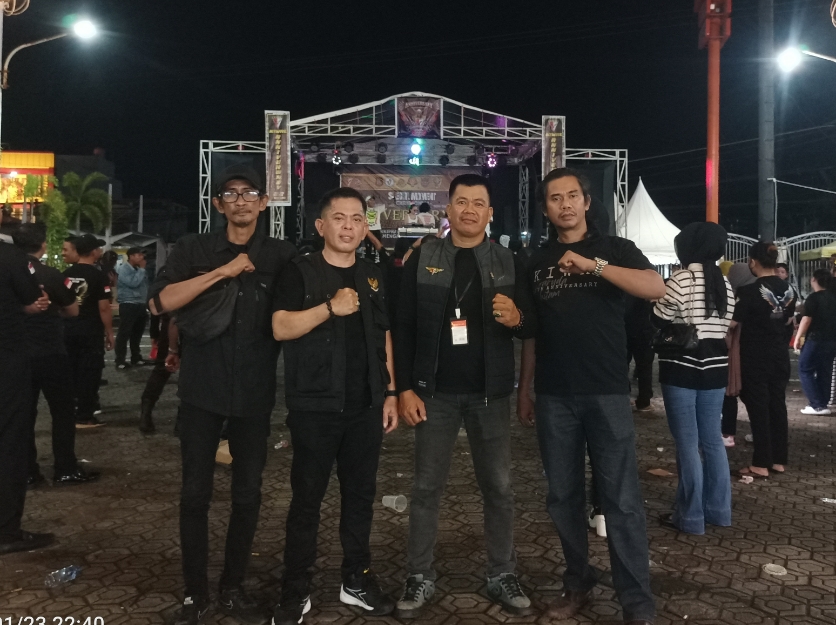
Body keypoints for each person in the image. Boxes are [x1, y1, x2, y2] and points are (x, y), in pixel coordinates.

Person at [148, 164, 296, 625]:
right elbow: (159, 301)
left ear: (264, 202)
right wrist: (223, 272)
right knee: (194, 494)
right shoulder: (193, 248)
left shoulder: (282, 255)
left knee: (248, 496)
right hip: (201, 391)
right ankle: (195, 595)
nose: (240, 201)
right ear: (218, 204)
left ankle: (233, 589)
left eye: (250, 193)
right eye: (230, 194)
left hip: (254, 393)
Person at [517, 168, 664, 624]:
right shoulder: (536, 261)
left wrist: (593, 265)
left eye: (572, 196)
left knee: (621, 499)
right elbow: (532, 333)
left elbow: (656, 287)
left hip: (607, 393)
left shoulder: (615, 249)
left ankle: (637, 602)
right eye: (555, 198)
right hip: (554, 395)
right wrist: (524, 389)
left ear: (586, 202)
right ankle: (577, 583)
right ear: (545, 209)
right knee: (563, 497)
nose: (564, 204)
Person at [394, 173, 535, 618]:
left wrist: (516, 318)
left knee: (499, 488)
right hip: (433, 394)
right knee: (425, 488)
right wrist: (404, 389)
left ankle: (502, 572)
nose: (469, 210)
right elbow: (403, 326)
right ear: (448, 210)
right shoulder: (424, 257)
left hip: (490, 395)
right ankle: (419, 575)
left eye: (478, 203)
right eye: (461, 202)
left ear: (490, 213)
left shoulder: (509, 260)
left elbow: (532, 325)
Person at [271, 187, 398, 625]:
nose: (349, 226)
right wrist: (330, 307)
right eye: (339, 218)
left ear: (365, 228)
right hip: (315, 408)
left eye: (357, 219)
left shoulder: (373, 274)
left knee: (360, 498)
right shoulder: (300, 271)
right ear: (321, 225)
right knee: (307, 501)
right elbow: (280, 326)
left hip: (365, 406)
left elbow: (384, 335)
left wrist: (390, 393)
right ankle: (295, 588)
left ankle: (356, 579)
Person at [652, 222, 735, 535]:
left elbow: (659, 317)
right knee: (712, 440)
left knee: (687, 443)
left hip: (682, 368)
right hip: (716, 369)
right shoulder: (724, 283)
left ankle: (690, 517)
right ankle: (719, 511)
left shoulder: (682, 278)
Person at [13, 224, 101, 486]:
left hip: (18, 353)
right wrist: (51, 310)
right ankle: (65, 468)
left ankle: (28, 471)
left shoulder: (8, 273)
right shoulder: (50, 274)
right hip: (51, 351)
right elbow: (73, 311)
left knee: (24, 415)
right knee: (62, 412)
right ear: (42, 245)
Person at [0, 232, 52, 555]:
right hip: (6, 362)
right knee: (10, 442)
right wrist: (22, 307)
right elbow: (34, 296)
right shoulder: (10, 257)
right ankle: (6, 530)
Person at [733, 242, 795, 478]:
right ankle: (778, 460)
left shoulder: (749, 291)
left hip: (755, 357)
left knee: (759, 408)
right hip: (780, 355)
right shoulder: (789, 289)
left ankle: (760, 463)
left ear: (753, 262)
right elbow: (787, 320)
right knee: (777, 405)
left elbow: (733, 323)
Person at [64, 234, 114, 429]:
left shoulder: (66, 274)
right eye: (98, 248)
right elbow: (104, 308)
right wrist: (109, 332)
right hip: (90, 330)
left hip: (67, 329)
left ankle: (70, 411)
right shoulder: (99, 276)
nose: (100, 251)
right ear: (93, 252)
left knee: (71, 371)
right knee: (90, 372)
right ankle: (85, 416)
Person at [721, 263, 756, 446]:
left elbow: (730, 325)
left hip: (738, 353)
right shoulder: (762, 294)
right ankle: (760, 432)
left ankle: (728, 434)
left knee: (730, 393)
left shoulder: (741, 297)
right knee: (753, 397)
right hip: (757, 354)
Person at [794, 269, 836, 415]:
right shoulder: (833, 297)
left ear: (813, 279)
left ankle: (816, 404)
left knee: (805, 369)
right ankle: (823, 403)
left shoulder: (813, 298)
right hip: (832, 340)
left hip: (815, 339)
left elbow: (806, 320)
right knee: (825, 371)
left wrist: (798, 337)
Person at [139, 314, 180, 434]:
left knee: (161, 370)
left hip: (169, 325)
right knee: (193, 372)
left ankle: (145, 413)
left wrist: (154, 333)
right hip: (196, 326)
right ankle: (183, 421)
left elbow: (155, 309)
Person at [115, 247, 150, 369]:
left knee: (137, 333)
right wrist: (142, 270)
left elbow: (144, 286)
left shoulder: (139, 269)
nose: (141, 257)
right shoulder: (124, 269)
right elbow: (133, 283)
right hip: (128, 303)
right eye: (138, 255)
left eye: (142, 255)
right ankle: (120, 360)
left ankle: (136, 357)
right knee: (124, 333)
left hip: (140, 304)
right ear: (130, 256)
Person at [625, 295, 656, 411]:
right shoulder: (644, 286)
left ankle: (624, 397)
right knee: (645, 366)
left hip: (623, 326)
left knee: (622, 364)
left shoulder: (622, 286)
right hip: (644, 328)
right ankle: (644, 401)